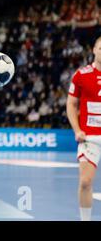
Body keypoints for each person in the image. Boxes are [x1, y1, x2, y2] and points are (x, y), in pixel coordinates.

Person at [67, 36, 101, 221]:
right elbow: (71, 104)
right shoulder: (81, 75)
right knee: (86, 182)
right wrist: (77, 130)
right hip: (90, 138)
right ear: (94, 50)